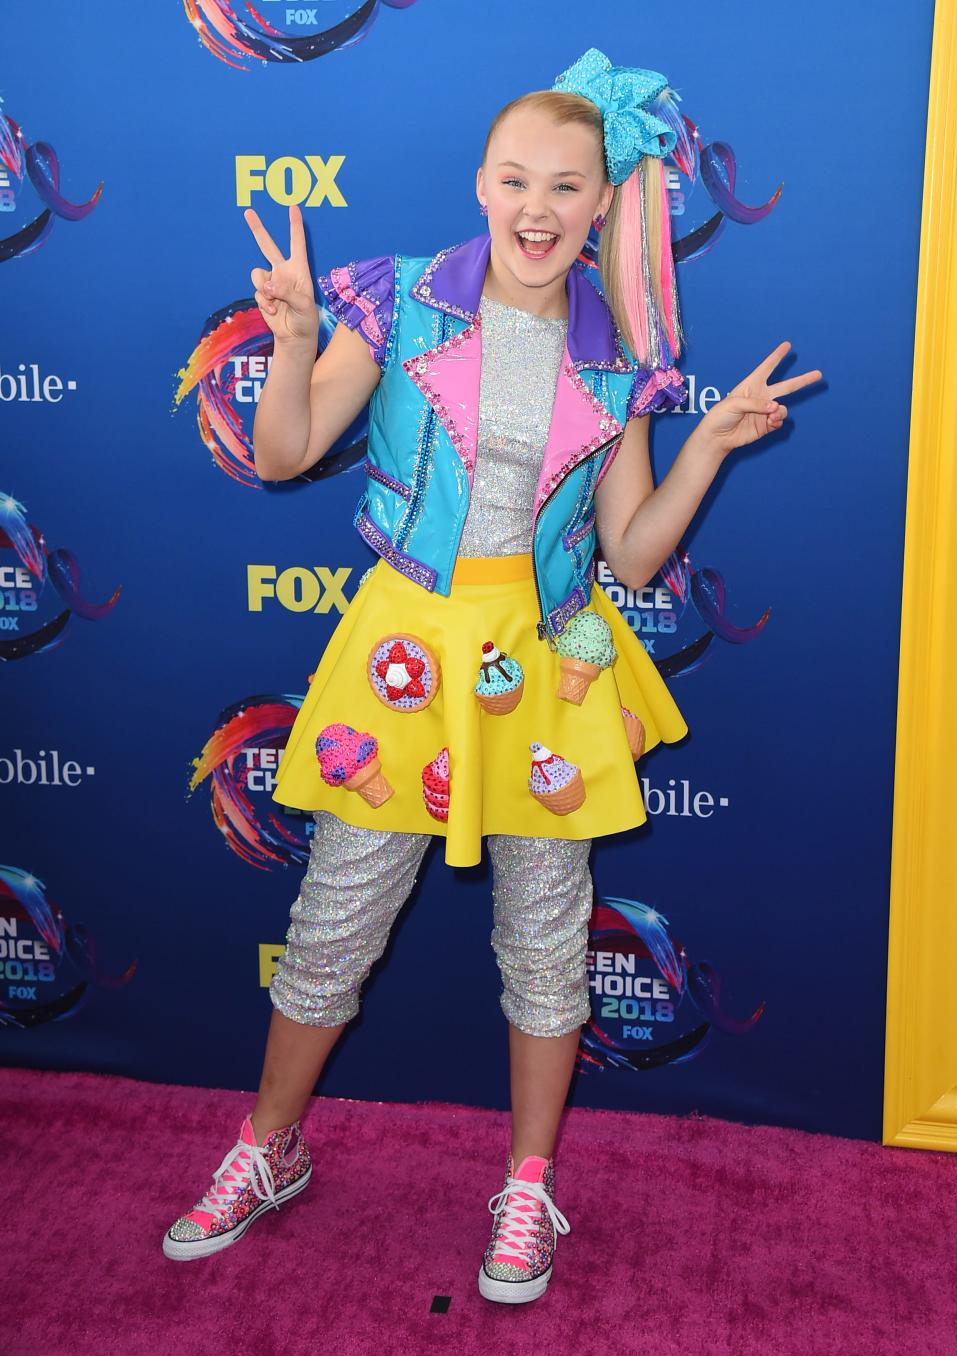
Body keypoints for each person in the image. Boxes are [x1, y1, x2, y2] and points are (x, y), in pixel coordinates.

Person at [162, 48, 821, 1302]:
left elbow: (630, 548)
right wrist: (294, 344)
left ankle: (528, 1187)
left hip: (550, 663)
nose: (537, 206)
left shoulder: (622, 352)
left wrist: (709, 451)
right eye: (517, 178)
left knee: (544, 937)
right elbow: (284, 452)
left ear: (601, 205)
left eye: (567, 186)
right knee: (333, 923)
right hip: (406, 653)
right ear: (481, 185)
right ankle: (268, 1148)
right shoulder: (399, 299)